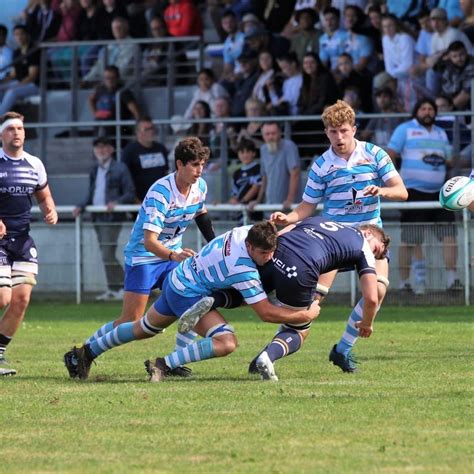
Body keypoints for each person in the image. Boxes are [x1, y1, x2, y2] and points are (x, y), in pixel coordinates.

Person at [68, 221, 320, 381]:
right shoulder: (243, 268)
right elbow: (265, 313)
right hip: (188, 291)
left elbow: (279, 230)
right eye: (264, 253)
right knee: (227, 342)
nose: (269, 257)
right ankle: (163, 364)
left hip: (180, 277)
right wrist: (303, 316)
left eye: (272, 251)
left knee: (143, 328)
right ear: (251, 247)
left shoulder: (247, 231)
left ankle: (87, 351)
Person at [268, 100, 408, 372]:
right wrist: (289, 217)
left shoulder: (375, 155)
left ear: (354, 129)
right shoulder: (321, 165)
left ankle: (342, 350)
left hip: (369, 238)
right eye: (333, 132)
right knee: (311, 302)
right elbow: (307, 207)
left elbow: (401, 191)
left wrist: (382, 191)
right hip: (334, 239)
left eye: (344, 130)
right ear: (326, 133)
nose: (339, 137)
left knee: (377, 292)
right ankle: (270, 352)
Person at [64, 137, 216, 378]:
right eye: (195, 165)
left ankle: (175, 362)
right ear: (179, 164)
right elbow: (149, 241)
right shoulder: (161, 192)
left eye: (202, 164)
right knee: (131, 321)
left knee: (192, 300)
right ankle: (81, 353)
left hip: (170, 258)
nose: (200, 170)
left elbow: (201, 214)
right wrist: (174, 255)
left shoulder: (201, 187)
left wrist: (215, 244)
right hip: (144, 258)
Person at [245, 217, 390, 381]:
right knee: (299, 329)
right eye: (376, 249)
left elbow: (289, 228)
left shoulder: (321, 221)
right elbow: (371, 298)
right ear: (368, 233)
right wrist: (367, 324)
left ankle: (214, 302)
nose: (373, 254)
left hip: (274, 252)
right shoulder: (362, 247)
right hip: (298, 270)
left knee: (240, 298)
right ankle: (268, 356)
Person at [0, 111, 58, 376]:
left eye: (20, 128)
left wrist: (50, 210)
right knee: (3, 297)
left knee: (21, 299)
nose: (17, 133)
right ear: (2, 134)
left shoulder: (35, 164)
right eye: (11, 128)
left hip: (22, 240)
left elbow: (44, 195)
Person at [387, 97, 461, 294]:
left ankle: (452, 280)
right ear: (416, 111)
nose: (427, 112)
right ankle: (405, 284)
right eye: (423, 109)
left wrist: (448, 159)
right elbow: (390, 153)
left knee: (450, 236)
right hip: (413, 192)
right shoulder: (405, 129)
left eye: (430, 109)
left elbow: (450, 160)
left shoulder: (440, 133)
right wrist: (396, 182)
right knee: (410, 239)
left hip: (440, 195)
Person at [72, 137, 135, 301]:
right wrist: (81, 206)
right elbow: (92, 193)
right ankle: (114, 289)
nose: (101, 150)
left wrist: (117, 203)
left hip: (112, 217)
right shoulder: (95, 169)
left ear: (112, 149)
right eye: (98, 147)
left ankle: (127, 287)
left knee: (108, 254)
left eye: (105, 147)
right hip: (97, 216)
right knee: (105, 254)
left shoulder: (120, 168)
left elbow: (130, 192)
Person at [249, 122, 301, 213]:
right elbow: (264, 177)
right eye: (267, 134)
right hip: (270, 206)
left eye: (273, 133)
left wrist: (290, 199)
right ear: (263, 136)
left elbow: (295, 173)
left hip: (288, 208)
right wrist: (258, 200)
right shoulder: (263, 149)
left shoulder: (288, 146)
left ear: (280, 133)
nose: (270, 137)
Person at [121, 117, 169, 202]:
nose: (151, 132)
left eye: (152, 128)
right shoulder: (129, 151)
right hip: (140, 202)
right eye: (147, 129)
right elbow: (124, 178)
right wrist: (135, 200)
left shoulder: (161, 148)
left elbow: (166, 173)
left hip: (161, 200)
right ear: (138, 132)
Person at [87, 65, 140, 141]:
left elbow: (135, 110)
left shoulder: (123, 91)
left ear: (117, 78)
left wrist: (138, 127)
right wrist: (95, 113)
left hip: (117, 128)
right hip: (100, 126)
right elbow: (90, 99)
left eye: (112, 78)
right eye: (107, 78)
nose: (109, 81)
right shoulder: (101, 89)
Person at [0, 26, 40, 117]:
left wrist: (17, 85)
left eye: (21, 34)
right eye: (16, 35)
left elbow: (32, 76)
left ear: (27, 35)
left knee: (12, 92)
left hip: (35, 85)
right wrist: (2, 82)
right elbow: (13, 74)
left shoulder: (33, 50)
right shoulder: (17, 52)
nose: (19, 37)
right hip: (20, 82)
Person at [229, 139, 262, 223]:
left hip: (255, 213)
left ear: (254, 153)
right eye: (242, 152)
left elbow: (256, 187)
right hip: (241, 214)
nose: (245, 155)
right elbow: (234, 193)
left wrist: (242, 201)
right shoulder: (237, 173)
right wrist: (233, 200)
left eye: (248, 152)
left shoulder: (258, 169)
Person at [440, 41, 474, 111]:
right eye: (454, 56)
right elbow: (445, 89)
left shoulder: (472, 65)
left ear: (466, 52)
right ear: (450, 57)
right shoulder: (449, 67)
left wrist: (449, 108)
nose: (459, 58)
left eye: (461, 54)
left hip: (468, 102)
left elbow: (467, 94)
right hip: (452, 100)